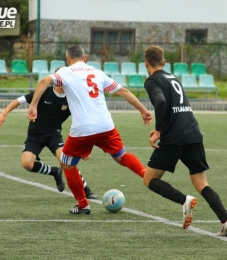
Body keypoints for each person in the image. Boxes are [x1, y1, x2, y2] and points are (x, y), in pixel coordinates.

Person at [26, 45, 153, 215]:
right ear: (85, 58)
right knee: (121, 156)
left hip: (82, 129)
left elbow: (43, 82)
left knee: (67, 164)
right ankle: (146, 175)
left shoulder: (65, 72)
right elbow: (122, 90)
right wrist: (143, 110)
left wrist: (33, 106)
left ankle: (83, 204)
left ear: (67, 59)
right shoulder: (97, 72)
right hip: (105, 126)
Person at [142, 45, 227, 236]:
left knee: (149, 179)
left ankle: (184, 200)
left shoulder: (152, 81)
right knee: (202, 183)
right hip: (192, 132)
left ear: (146, 64)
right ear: (164, 62)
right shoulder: (173, 77)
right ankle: (226, 220)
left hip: (174, 137)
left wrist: (159, 130)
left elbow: (160, 102)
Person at [0, 80, 97, 199]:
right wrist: (3, 114)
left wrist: (87, 147)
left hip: (53, 135)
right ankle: (54, 172)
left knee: (65, 161)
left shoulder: (71, 99)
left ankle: (85, 189)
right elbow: (18, 101)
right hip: (34, 135)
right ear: (56, 81)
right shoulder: (43, 91)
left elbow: (82, 122)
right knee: (27, 164)